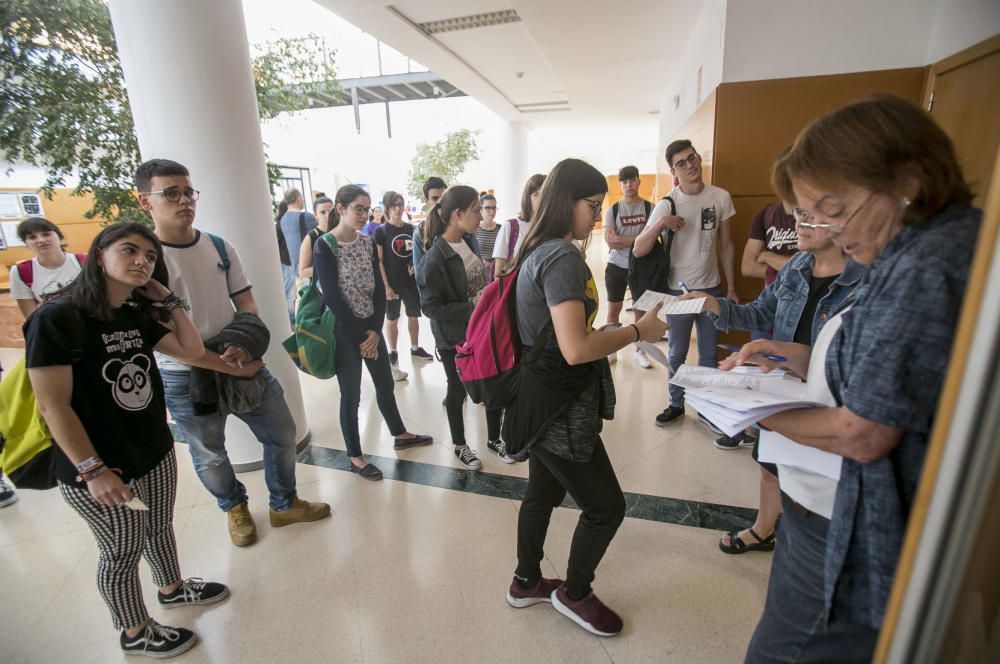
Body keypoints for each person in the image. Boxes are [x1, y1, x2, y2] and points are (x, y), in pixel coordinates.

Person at [719, 95, 980, 663]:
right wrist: (787, 356)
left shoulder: (923, 268)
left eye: (833, 210)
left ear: (907, 182)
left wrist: (754, 412)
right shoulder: (914, 252)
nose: (830, 230)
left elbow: (863, 431)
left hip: (861, 515)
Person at [25, 222, 227, 659]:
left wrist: (169, 302)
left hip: (151, 448)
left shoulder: (133, 313)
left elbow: (191, 351)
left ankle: (172, 589)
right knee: (121, 550)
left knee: (157, 527)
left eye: (150, 256)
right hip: (98, 466)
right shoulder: (56, 318)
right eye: (129, 251)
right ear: (99, 255)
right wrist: (92, 470)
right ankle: (135, 631)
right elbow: (52, 406)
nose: (142, 261)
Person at [502, 158, 668, 637]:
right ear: (565, 200)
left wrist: (611, 331)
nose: (597, 216)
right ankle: (574, 594)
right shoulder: (560, 257)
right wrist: (637, 330)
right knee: (606, 507)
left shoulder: (534, 248)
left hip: (536, 398)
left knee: (542, 491)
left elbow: (561, 336)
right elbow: (576, 350)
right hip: (559, 405)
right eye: (592, 205)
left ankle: (526, 581)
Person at [138, 159, 330, 548]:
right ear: (145, 202)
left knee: (281, 432)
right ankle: (234, 507)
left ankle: (284, 503)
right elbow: (156, 335)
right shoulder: (144, 260)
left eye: (188, 191)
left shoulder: (219, 247)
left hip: (237, 356)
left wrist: (239, 347)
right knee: (209, 453)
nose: (183, 200)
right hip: (183, 372)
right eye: (170, 193)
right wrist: (220, 362)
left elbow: (247, 305)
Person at [683, 209, 862, 555]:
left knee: (814, 480)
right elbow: (760, 313)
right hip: (782, 389)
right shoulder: (796, 266)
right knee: (769, 467)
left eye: (811, 214)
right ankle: (764, 529)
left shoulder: (865, 280)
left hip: (829, 399)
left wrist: (787, 352)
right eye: (798, 214)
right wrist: (713, 304)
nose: (798, 224)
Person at [314, 185, 433, 481]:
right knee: (351, 395)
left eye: (366, 209)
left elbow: (379, 289)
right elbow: (332, 296)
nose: (363, 214)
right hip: (344, 330)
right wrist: (360, 337)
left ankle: (399, 433)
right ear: (340, 209)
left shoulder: (367, 242)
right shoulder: (325, 245)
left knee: (384, 384)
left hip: (370, 326)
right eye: (358, 208)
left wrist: (375, 331)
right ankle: (354, 455)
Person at [633, 140, 738, 427]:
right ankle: (675, 403)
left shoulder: (720, 197)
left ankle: (706, 407)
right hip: (678, 293)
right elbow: (638, 248)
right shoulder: (668, 202)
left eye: (692, 158)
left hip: (712, 289)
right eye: (682, 163)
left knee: (708, 352)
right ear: (674, 171)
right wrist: (661, 223)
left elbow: (727, 245)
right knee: (677, 352)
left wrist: (730, 286)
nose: (690, 165)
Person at [417, 185, 506, 470]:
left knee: (493, 382)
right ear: (457, 214)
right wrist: (473, 308)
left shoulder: (470, 241)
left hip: (481, 330)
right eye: (476, 210)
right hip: (455, 338)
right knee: (457, 391)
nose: (481, 216)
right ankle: (460, 445)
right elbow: (430, 307)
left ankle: (495, 439)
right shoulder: (434, 258)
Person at [374, 190, 433, 383]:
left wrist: (414, 267)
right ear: (386, 209)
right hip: (392, 284)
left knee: (414, 315)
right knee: (392, 318)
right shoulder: (381, 232)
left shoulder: (412, 229)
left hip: (410, 284)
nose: (398, 209)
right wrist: (386, 286)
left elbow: (418, 253)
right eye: (393, 206)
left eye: (400, 205)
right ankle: (392, 351)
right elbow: (379, 261)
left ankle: (415, 348)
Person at [603, 165, 653, 368]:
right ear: (620, 185)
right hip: (617, 264)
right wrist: (639, 239)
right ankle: (610, 348)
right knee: (614, 308)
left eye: (632, 180)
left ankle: (639, 351)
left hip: (642, 266)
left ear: (639, 181)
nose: (629, 185)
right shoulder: (612, 210)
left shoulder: (650, 208)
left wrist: (622, 238)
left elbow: (653, 238)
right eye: (624, 181)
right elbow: (610, 242)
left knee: (641, 310)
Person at [8, 217, 84, 319]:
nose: (41, 240)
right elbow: (31, 317)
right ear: (26, 243)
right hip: (54, 328)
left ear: (59, 236)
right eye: (32, 237)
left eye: (46, 234)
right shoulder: (21, 271)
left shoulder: (85, 261)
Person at [278, 188, 317, 323]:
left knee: (300, 298)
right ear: (298, 198)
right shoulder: (306, 217)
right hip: (309, 266)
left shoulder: (283, 219)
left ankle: (301, 326)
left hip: (295, 267)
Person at [493, 173, 545, 277]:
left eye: (545, 194)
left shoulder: (553, 228)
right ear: (527, 198)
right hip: (513, 291)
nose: (541, 199)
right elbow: (498, 274)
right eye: (536, 194)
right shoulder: (511, 226)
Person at [411, 176, 447, 269]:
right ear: (427, 201)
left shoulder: (459, 225)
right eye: (435, 198)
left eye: (443, 197)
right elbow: (420, 275)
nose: (440, 202)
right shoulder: (420, 232)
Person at [297, 195, 336, 280]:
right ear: (315, 215)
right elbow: (302, 271)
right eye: (322, 212)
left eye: (330, 211)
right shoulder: (311, 237)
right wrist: (329, 269)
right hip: (322, 286)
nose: (327, 215)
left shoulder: (341, 232)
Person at [477, 194, 501, 280]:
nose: (492, 211)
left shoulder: (501, 229)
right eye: (488, 208)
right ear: (480, 210)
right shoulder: (474, 229)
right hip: (479, 273)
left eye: (494, 208)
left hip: (496, 273)